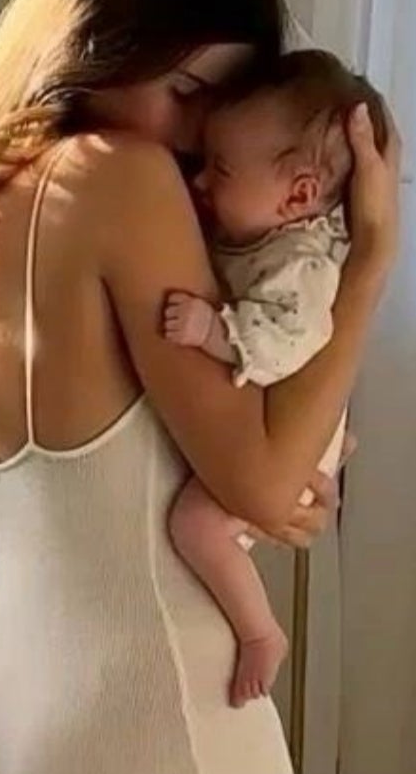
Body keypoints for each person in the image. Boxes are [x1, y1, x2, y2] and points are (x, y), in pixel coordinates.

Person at [0, 0, 399, 774]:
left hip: (6, 715)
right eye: (186, 93)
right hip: (155, 719)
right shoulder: (122, 180)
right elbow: (259, 484)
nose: (194, 138)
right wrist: (372, 263)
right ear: (104, 40)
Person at [162, 49, 395, 707]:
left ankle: (261, 631)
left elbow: (290, 342)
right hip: (291, 421)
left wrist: (214, 332)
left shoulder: (300, 264)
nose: (202, 182)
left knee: (197, 526)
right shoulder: (257, 232)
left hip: (299, 427)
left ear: (297, 193)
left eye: (221, 169)